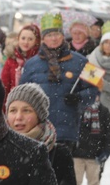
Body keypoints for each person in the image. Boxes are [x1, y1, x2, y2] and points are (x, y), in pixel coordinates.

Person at [20, 13, 97, 150]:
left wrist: (79, 98)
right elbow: (21, 96)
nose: (54, 38)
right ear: (43, 39)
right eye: (49, 35)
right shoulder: (30, 64)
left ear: (63, 36)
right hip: (38, 131)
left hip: (67, 130)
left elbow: (95, 89)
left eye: (57, 34)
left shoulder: (82, 61)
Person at [73, 96, 110, 185]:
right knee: (74, 182)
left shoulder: (103, 112)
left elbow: (108, 134)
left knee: (94, 182)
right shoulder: (77, 109)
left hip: (94, 155)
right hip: (76, 154)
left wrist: (105, 152)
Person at [1, 24, 40, 99]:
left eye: (30, 39)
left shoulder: (39, 60)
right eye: (23, 38)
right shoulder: (11, 59)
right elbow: (4, 84)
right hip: (14, 100)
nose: (26, 42)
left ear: (36, 41)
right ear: (18, 39)